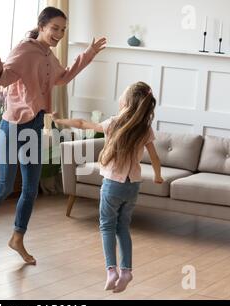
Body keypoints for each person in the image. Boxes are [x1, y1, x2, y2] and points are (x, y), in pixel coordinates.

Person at [0, 6, 107, 265]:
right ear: (42, 26)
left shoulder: (49, 55)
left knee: (30, 189)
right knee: (4, 185)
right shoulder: (25, 49)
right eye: (55, 28)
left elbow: (64, 76)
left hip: (36, 125)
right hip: (13, 125)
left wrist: (89, 53)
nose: (59, 33)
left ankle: (17, 238)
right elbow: (6, 78)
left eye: (63, 30)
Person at [53, 81, 164, 292]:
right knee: (123, 227)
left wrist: (59, 119)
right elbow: (155, 157)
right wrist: (158, 176)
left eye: (122, 94)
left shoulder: (114, 122)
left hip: (112, 185)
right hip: (132, 187)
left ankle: (111, 270)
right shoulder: (145, 129)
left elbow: (81, 123)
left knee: (106, 226)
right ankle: (127, 271)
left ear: (128, 101)